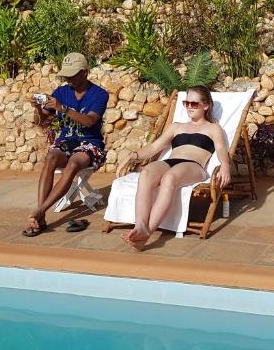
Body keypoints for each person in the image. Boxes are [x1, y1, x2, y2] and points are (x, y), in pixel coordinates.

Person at [120, 86, 232, 251]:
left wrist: (225, 166)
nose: (189, 107)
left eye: (194, 104)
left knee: (169, 178)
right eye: (186, 103)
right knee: (147, 173)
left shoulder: (213, 128)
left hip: (194, 166)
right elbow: (154, 148)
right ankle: (140, 226)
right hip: (171, 162)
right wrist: (132, 156)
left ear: (206, 105)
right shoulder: (176, 126)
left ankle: (147, 232)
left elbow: (222, 150)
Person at [23, 53, 110, 237]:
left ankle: (39, 212)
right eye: (66, 76)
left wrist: (62, 108)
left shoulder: (99, 94)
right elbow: (42, 121)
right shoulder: (61, 92)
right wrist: (38, 108)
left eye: (72, 75)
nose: (68, 79)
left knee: (74, 163)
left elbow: (89, 121)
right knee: (51, 156)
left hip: (90, 144)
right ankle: (42, 215)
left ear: (85, 72)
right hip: (67, 141)